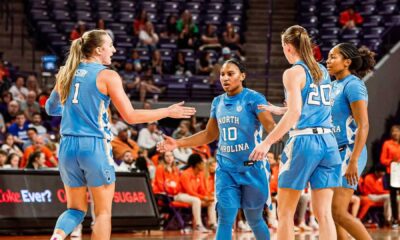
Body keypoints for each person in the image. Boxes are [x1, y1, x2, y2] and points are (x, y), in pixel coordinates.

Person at [44, 29, 196, 240]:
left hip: (67, 147)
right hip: (94, 146)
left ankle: (57, 237)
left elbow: (51, 109)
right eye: (110, 45)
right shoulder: (107, 75)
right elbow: (131, 116)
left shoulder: (67, 72)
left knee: (76, 210)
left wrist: (75, 110)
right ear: (98, 50)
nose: (114, 50)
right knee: (103, 213)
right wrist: (168, 112)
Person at [158, 58, 276, 240]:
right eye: (222, 74)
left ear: (242, 76)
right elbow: (209, 134)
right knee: (225, 218)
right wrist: (178, 143)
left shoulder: (253, 98)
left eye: (230, 74)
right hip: (226, 168)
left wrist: (266, 144)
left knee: (254, 219)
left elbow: (272, 127)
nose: (225, 78)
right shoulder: (217, 102)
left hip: (253, 168)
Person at [254, 25, 342, 240]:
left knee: (284, 211)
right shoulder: (322, 71)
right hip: (329, 142)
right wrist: (280, 110)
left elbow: (295, 113)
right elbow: (314, 107)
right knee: (324, 214)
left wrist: (267, 143)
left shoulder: (293, 72)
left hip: (304, 142)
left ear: (287, 47)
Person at [326, 42, 375, 240]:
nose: (328, 61)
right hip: (333, 152)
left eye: (333, 57)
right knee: (330, 212)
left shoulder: (353, 85)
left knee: (338, 212)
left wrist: (354, 160)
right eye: (328, 57)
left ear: (347, 62)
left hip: (349, 151)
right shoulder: (331, 86)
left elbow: (363, 125)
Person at [381, 125, 400, 228]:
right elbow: (383, 159)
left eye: (397, 131)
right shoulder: (387, 144)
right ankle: (395, 219)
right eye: (393, 131)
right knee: (393, 197)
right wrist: (391, 161)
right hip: (392, 173)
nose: (395, 133)